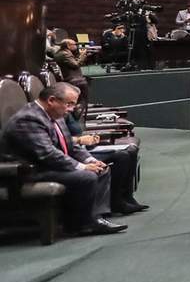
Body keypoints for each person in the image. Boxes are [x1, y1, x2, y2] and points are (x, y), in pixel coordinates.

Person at [1, 82, 127, 234]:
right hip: (28, 171)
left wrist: (90, 160)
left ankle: (95, 218)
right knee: (86, 176)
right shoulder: (29, 119)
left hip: (47, 165)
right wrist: (82, 167)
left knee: (100, 168)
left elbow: (70, 146)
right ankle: (80, 224)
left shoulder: (55, 114)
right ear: (52, 100)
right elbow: (47, 154)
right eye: (69, 104)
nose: (71, 109)